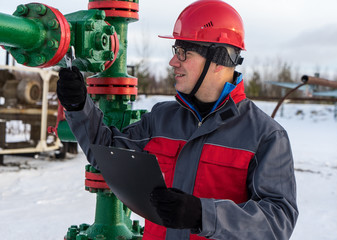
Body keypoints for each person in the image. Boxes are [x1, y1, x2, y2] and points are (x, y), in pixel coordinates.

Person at [56, 0, 298, 239]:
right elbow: (106, 154)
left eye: (184, 52)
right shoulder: (162, 119)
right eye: (176, 51)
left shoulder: (264, 136)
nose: (174, 61)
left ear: (218, 58)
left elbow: (278, 222)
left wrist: (202, 215)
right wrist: (78, 106)